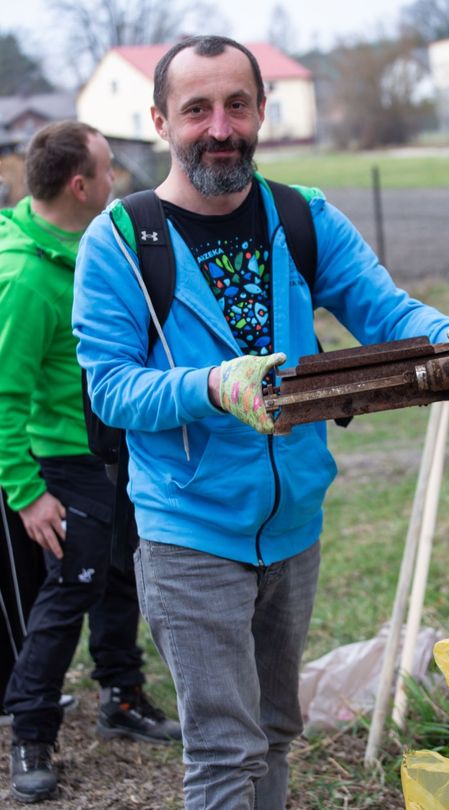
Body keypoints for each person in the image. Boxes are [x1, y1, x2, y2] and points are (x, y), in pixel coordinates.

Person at [72, 36, 449, 810]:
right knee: (223, 751)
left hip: (295, 525)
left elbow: (385, 309)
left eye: (237, 104)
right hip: (188, 532)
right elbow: (110, 390)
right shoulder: (122, 243)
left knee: (273, 729)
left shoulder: (304, 218)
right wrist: (212, 385)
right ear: (161, 120)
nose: (221, 127)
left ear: (263, 110)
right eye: (197, 109)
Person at [0, 121, 181, 805]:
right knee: (70, 592)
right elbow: (3, 396)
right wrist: (26, 494)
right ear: (80, 186)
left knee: (119, 577)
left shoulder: (85, 247)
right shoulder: (24, 279)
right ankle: (30, 733)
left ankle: (121, 698)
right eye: (109, 171)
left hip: (111, 450)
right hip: (61, 466)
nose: (117, 182)